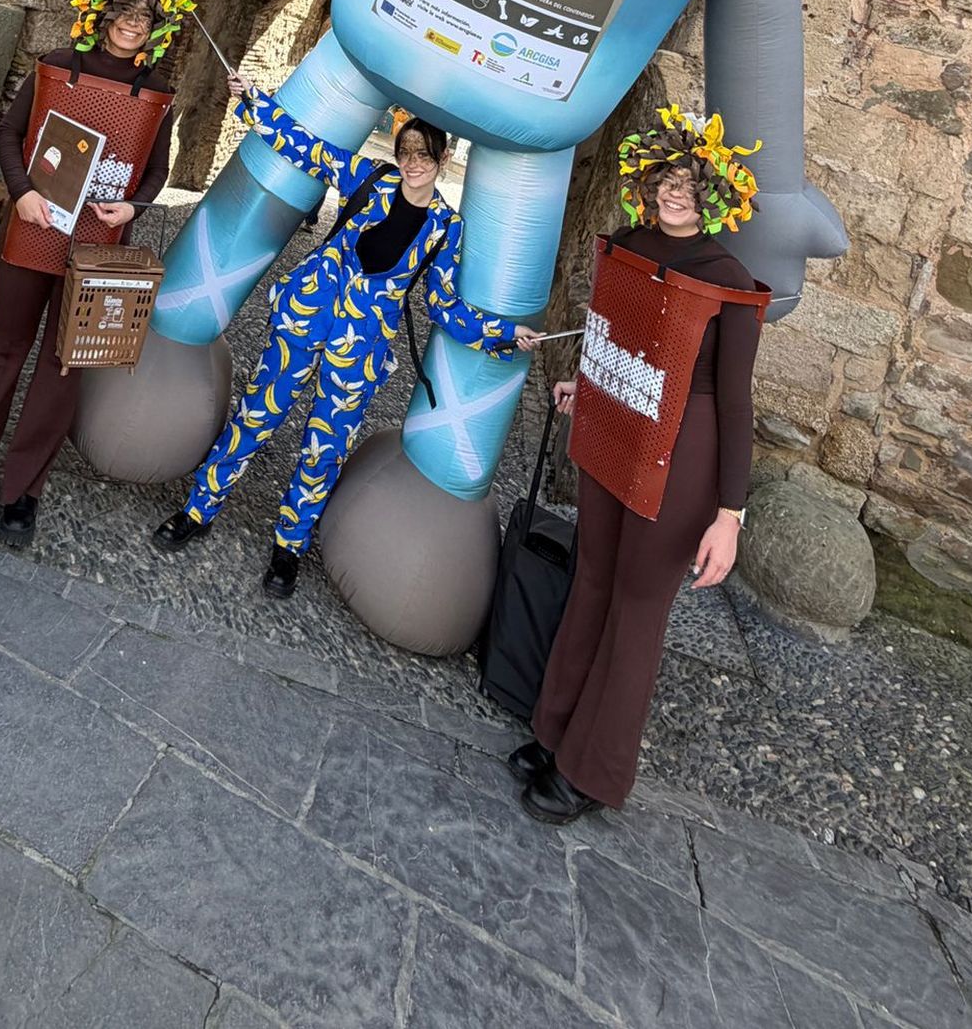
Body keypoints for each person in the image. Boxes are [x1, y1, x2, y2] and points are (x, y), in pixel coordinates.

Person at [154, 78, 539, 600]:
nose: (414, 163)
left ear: (443, 161)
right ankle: (199, 508)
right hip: (305, 316)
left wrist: (501, 335)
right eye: (407, 152)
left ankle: (289, 545)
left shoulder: (446, 228)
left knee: (326, 445)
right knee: (257, 414)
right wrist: (254, 100)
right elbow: (305, 147)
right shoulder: (368, 177)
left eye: (425, 156)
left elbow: (443, 305)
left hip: (361, 346)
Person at [511, 107, 763, 824]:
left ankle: (595, 768)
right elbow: (618, 335)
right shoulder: (630, 243)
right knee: (592, 578)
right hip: (618, 434)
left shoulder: (729, 280)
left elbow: (737, 402)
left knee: (637, 607)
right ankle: (556, 733)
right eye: (666, 178)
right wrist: (584, 384)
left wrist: (729, 514)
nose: (673, 192)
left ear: (715, 193)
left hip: (682, 457)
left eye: (689, 182)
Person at [0, 0, 194, 549]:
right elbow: (10, 132)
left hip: (99, 241)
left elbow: (156, 169)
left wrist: (133, 206)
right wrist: (21, 192)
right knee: (3, 353)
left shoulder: (157, 93)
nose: (133, 24)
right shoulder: (56, 66)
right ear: (104, 14)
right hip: (34, 224)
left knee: (63, 364)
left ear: (157, 31)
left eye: (145, 18)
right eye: (126, 11)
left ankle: (22, 491)